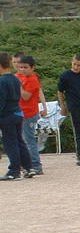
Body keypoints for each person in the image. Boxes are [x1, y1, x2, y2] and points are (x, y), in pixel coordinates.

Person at [0, 52, 34, 181]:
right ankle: (28, 167)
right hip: (18, 113)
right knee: (19, 141)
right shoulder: (15, 78)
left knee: (10, 143)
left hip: (7, 115)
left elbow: (1, 101)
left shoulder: (2, 81)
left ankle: (14, 171)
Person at [56, 54, 80, 166]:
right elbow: (60, 91)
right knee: (78, 129)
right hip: (73, 105)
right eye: (74, 64)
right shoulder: (65, 75)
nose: (76, 67)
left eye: (79, 65)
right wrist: (62, 105)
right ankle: (79, 155)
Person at [15, 56, 48, 175]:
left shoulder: (32, 79)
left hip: (29, 113)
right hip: (19, 112)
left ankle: (36, 164)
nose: (23, 70)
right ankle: (24, 164)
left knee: (29, 140)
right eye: (21, 67)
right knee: (21, 139)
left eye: (26, 67)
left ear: (32, 68)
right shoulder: (19, 76)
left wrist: (17, 85)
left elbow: (26, 96)